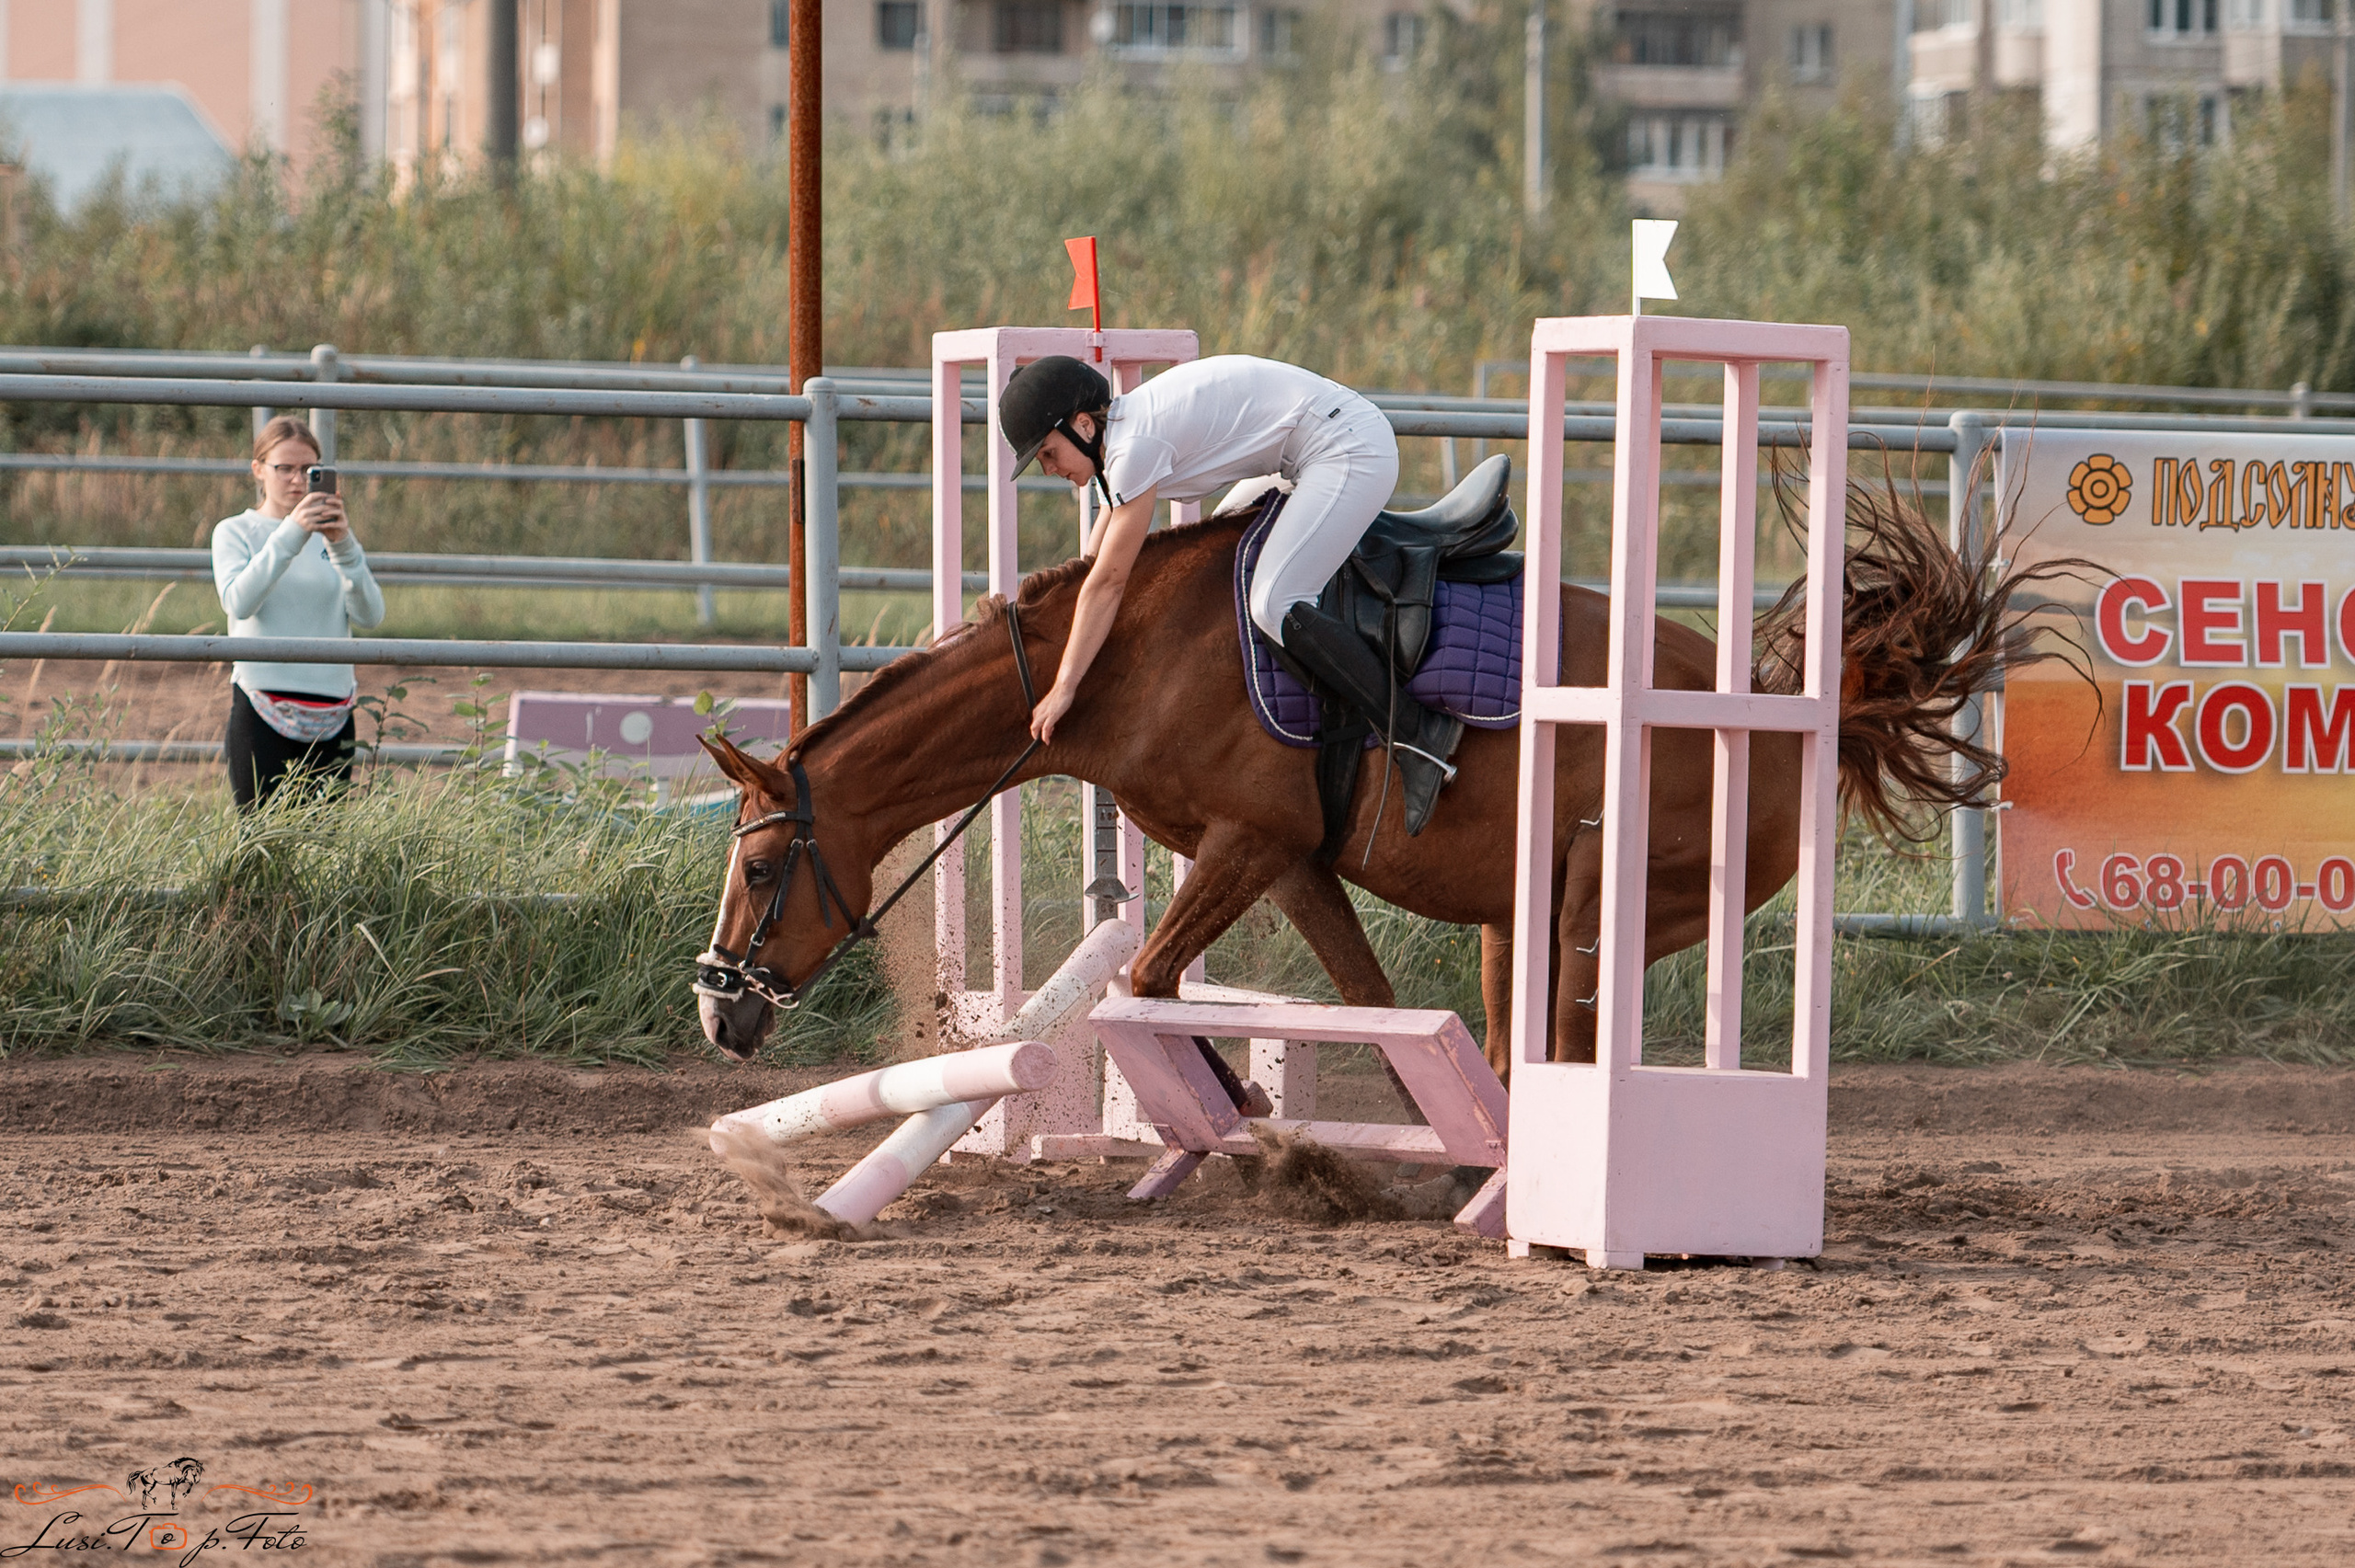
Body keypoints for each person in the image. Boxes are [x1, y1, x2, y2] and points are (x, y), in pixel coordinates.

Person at [1002, 353, 1462, 834]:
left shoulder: (1132, 447)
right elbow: (1091, 573)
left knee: (1273, 603)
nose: (1049, 469)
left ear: (1082, 425)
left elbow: (1109, 582)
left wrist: (1066, 687)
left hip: (1346, 447)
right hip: (1301, 450)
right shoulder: (1117, 445)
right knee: (1221, 561)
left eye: (1048, 454)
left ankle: (1417, 735)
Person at [211, 415, 385, 811]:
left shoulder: (333, 535)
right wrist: (292, 532)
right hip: (262, 704)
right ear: (258, 469)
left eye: (308, 470)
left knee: (323, 844)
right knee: (261, 842)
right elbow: (239, 601)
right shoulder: (236, 531)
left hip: (333, 709)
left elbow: (371, 615)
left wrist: (343, 546)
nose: (296, 479)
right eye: (284, 468)